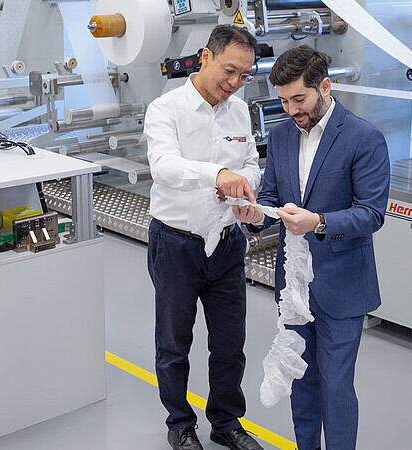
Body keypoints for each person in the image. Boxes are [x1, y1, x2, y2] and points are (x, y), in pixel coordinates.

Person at [234, 45, 390, 450]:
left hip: (342, 286)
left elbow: (371, 214)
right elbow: (272, 194)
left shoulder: (363, 137)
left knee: (336, 387)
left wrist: (318, 222)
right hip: (295, 288)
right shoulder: (282, 134)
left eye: (299, 99)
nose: (291, 110)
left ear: (325, 85)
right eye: (283, 101)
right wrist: (256, 216)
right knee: (300, 379)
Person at [144, 25, 264, 450]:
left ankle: (226, 422)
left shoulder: (239, 110)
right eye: (230, 71)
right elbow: (164, 165)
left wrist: (245, 191)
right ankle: (179, 422)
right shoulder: (166, 109)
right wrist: (217, 174)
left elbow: (250, 162)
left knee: (231, 342)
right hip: (176, 244)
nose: (235, 83)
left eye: (244, 75)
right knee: (175, 343)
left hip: (228, 243)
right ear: (204, 57)